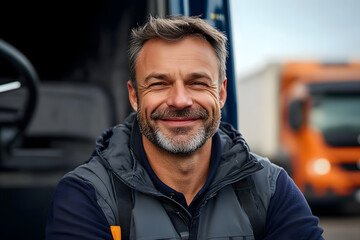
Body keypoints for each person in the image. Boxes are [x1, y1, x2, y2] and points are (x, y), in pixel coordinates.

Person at [46, 15, 324, 240]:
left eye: (197, 83)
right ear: (134, 96)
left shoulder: (270, 188)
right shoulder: (87, 194)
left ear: (222, 93)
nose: (180, 100)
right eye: (159, 84)